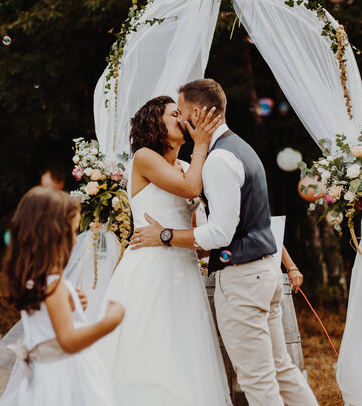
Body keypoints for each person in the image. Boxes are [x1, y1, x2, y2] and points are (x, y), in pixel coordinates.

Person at [131, 79, 319, 406]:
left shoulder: (214, 160)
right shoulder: (238, 149)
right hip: (249, 271)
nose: (180, 119)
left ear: (198, 112)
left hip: (243, 278)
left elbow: (218, 234)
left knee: (259, 380)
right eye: (172, 114)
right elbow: (215, 232)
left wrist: (165, 235)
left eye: (182, 111)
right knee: (280, 370)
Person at [95, 96, 231, 406]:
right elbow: (191, 189)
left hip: (183, 269)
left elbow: (197, 225)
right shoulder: (145, 157)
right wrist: (202, 143)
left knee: (183, 348)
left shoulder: (187, 165)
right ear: (156, 123)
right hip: (149, 269)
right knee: (149, 345)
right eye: (174, 114)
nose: (183, 118)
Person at [0, 186, 124, 406]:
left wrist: (71, 309)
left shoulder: (36, 281)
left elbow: (47, 328)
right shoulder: (54, 287)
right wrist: (108, 323)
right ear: (51, 236)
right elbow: (68, 342)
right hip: (65, 375)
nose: (75, 241)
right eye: (71, 232)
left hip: (46, 374)